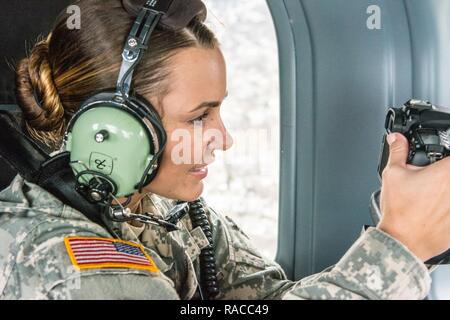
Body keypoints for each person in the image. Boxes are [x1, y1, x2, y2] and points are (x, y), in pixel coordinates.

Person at [0, 0, 449, 300]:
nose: (225, 137)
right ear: (111, 130)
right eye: (199, 116)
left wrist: (413, 229)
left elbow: (269, 300)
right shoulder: (60, 257)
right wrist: (399, 245)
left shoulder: (157, 208)